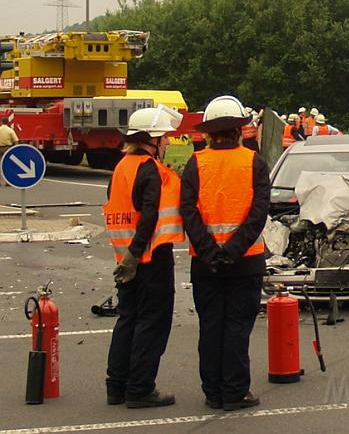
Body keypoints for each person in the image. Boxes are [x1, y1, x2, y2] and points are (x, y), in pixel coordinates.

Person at [180, 95, 270, 411]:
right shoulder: (254, 162)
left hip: (205, 264)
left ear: (209, 132)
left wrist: (210, 251)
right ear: (237, 130)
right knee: (236, 328)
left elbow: (188, 211)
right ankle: (234, 392)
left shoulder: (195, 163)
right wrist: (232, 250)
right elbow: (258, 213)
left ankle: (213, 392)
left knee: (211, 327)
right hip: (245, 262)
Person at [103, 106, 184, 408]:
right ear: (152, 140)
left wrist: (128, 257)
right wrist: (137, 255)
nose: (166, 144)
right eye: (163, 138)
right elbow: (149, 215)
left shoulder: (121, 167)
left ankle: (117, 386)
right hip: (150, 258)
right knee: (152, 323)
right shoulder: (150, 170)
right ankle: (140, 389)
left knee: (128, 319)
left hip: (125, 258)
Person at [0, 117, 19, 186]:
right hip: (7, 148)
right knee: (8, 165)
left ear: (1, 122)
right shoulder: (10, 130)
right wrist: (16, 149)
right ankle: (8, 182)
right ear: (8, 122)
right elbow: (16, 141)